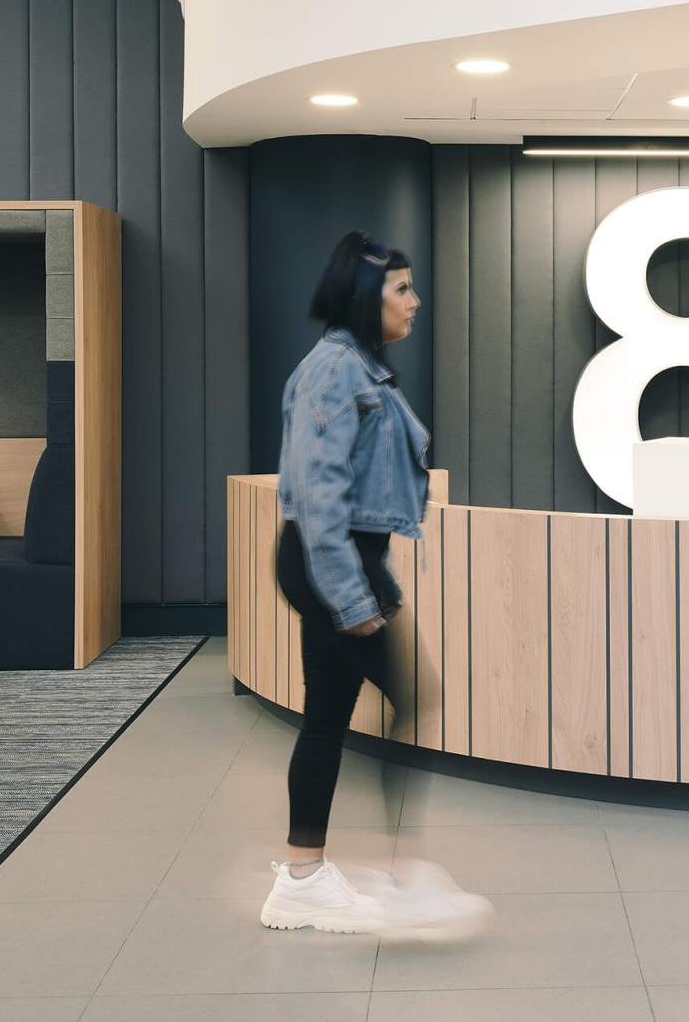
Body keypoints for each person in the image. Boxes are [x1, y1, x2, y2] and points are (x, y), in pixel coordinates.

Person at [259, 230, 490, 940]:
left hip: (345, 561)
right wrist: (353, 600)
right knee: (414, 695)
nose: (415, 302)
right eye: (402, 289)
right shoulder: (334, 371)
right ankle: (404, 881)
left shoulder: (357, 366)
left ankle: (303, 876)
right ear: (367, 296)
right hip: (331, 563)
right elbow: (317, 494)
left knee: (328, 715)